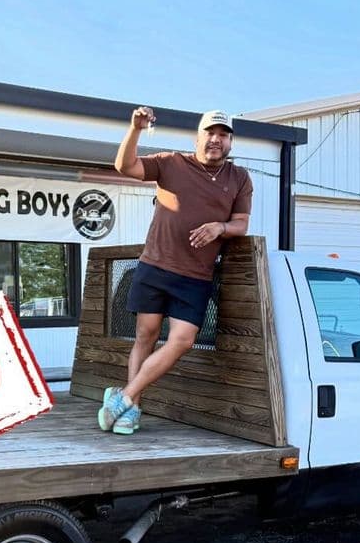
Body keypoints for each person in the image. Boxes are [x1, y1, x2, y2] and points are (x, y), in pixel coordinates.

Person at [100, 107, 253, 435]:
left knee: (183, 340)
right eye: (210, 133)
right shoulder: (172, 163)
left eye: (223, 135)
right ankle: (132, 409)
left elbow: (240, 224)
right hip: (155, 264)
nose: (216, 140)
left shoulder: (239, 178)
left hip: (196, 274)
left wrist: (219, 228)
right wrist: (135, 129)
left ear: (230, 142)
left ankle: (123, 397)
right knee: (146, 335)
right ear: (198, 136)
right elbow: (125, 166)